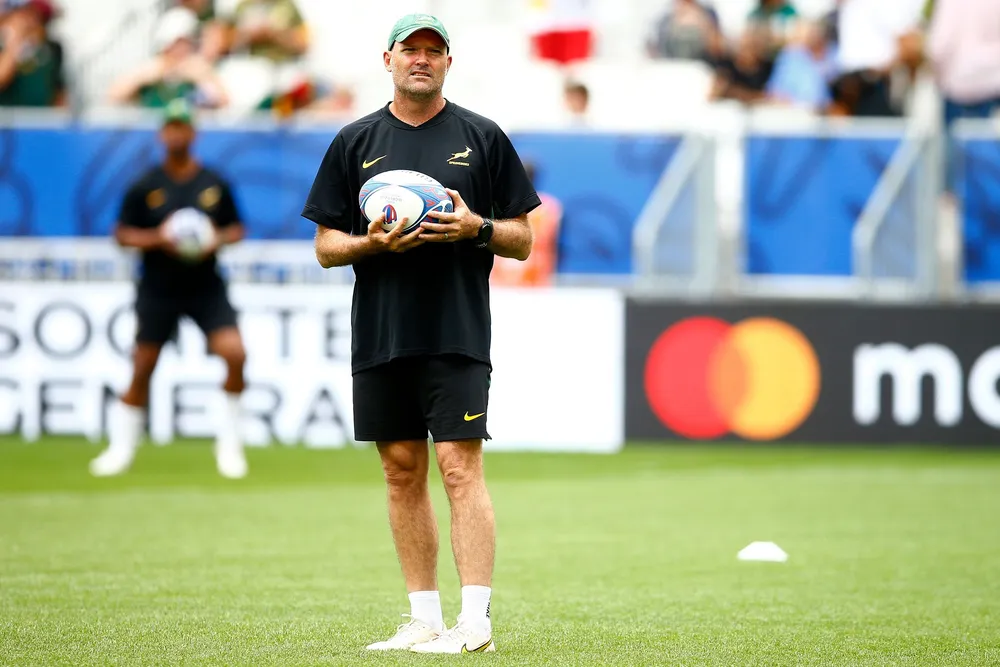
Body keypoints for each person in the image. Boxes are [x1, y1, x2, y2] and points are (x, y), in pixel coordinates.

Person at [302, 13, 539, 655]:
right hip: (381, 332)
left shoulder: (481, 136)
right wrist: (370, 244)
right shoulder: (354, 141)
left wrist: (476, 229)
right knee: (400, 470)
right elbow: (325, 247)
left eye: (434, 51)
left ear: (447, 63)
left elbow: (522, 238)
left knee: (459, 466)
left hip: (456, 329)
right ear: (389, 59)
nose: (422, 60)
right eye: (411, 50)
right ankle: (424, 619)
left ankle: (476, 622)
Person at [89, 99, 249, 480]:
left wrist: (214, 239)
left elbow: (237, 229)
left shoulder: (213, 183)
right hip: (159, 287)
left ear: (194, 132)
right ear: (162, 134)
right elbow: (122, 234)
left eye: (183, 126)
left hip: (205, 286)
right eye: (170, 126)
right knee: (143, 366)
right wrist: (159, 238)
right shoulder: (145, 185)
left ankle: (229, 445)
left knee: (235, 354)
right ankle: (121, 448)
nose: (177, 133)